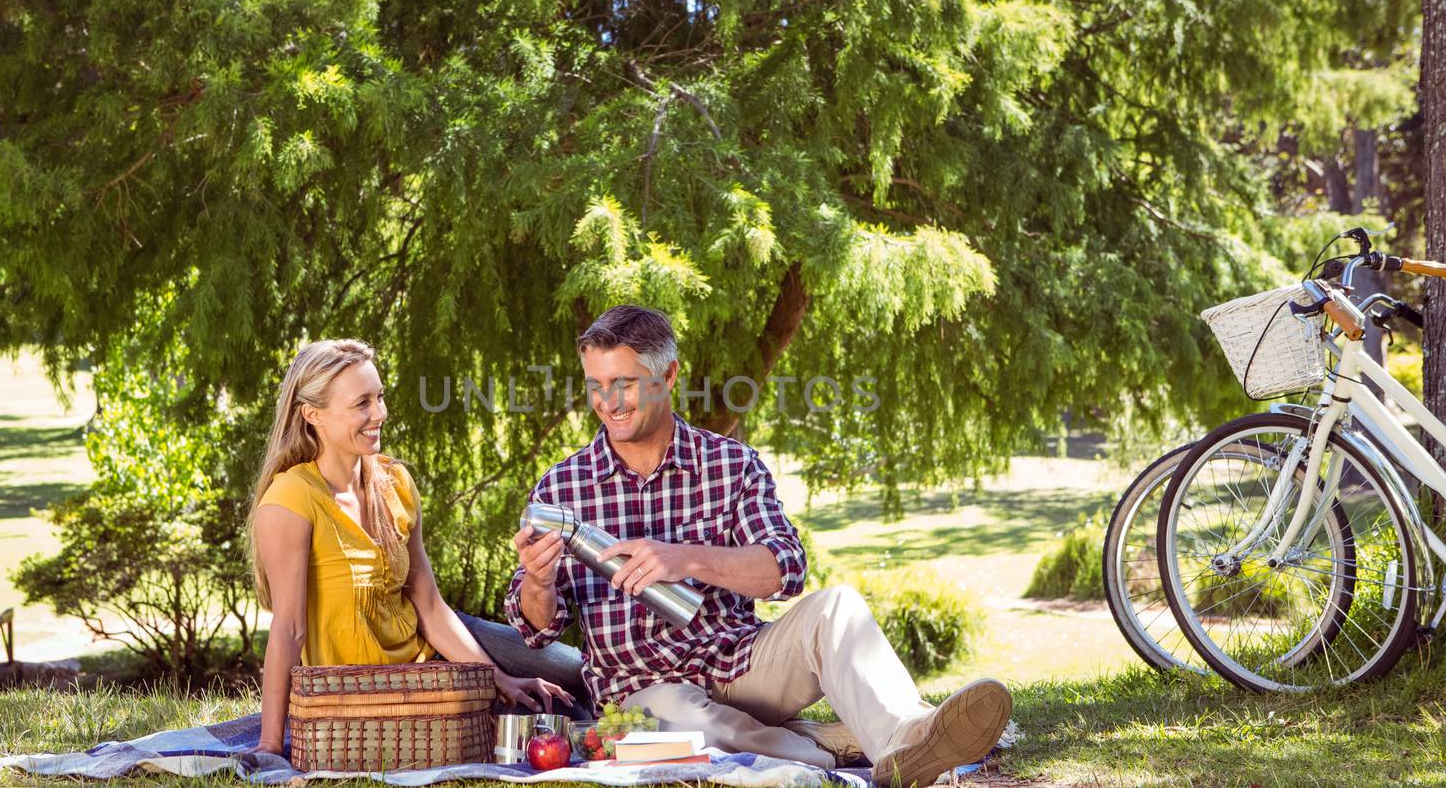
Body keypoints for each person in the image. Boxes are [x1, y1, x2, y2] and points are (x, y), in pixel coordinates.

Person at [507, 307, 1011, 787]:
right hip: (643, 692)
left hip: (740, 663)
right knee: (684, 723)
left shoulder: (729, 464)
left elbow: (786, 567)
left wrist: (686, 557)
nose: (608, 402)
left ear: (669, 375)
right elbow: (535, 628)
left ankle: (907, 738)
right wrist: (539, 579)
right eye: (596, 385)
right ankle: (837, 752)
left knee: (837, 608)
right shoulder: (563, 488)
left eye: (624, 384)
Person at [248, 339, 588, 756]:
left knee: (574, 671)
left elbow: (427, 603)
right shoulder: (291, 499)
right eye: (362, 404)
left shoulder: (394, 482)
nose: (379, 414)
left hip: (435, 650)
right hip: (376, 686)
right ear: (312, 414)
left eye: (380, 397)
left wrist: (495, 676)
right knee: (562, 709)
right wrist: (269, 744)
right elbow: (289, 628)